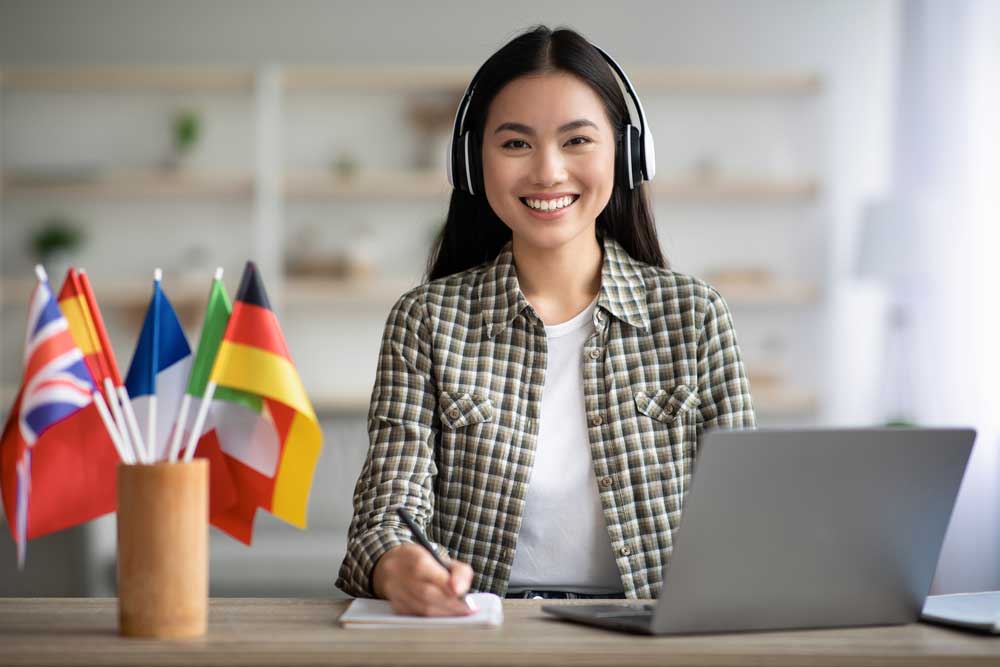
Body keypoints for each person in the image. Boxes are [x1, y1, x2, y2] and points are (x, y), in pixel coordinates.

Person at [336, 25, 756, 616]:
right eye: (515, 144)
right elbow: (383, 518)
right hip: (480, 633)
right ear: (472, 162)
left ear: (626, 153)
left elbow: (746, 519)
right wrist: (396, 565)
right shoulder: (425, 321)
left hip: (652, 638)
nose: (548, 172)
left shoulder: (695, 316)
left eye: (577, 140)